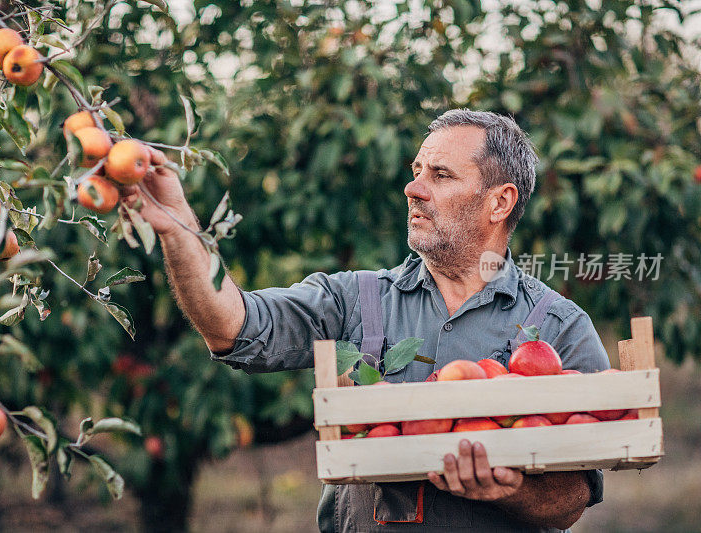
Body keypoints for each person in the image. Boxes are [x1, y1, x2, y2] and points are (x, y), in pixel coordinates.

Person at [121, 109, 610, 532]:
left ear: (498, 202)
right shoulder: (355, 299)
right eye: (416, 170)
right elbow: (233, 324)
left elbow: (573, 499)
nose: (412, 188)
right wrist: (178, 225)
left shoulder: (557, 325)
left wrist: (510, 489)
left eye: (440, 175)